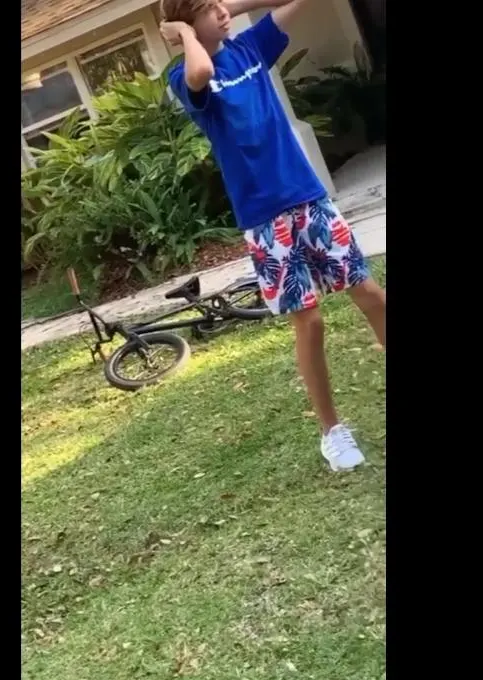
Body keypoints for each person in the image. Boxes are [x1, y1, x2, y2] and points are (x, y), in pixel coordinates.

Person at [161, 0, 386, 471]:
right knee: (311, 322)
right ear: (185, 21)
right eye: (208, 9)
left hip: (308, 198)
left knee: (369, 293)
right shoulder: (183, 76)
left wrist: (226, 6)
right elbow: (200, 70)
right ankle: (332, 433)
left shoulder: (250, 48)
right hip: (265, 220)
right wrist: (185, 32)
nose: (221, 14)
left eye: (220, 4)